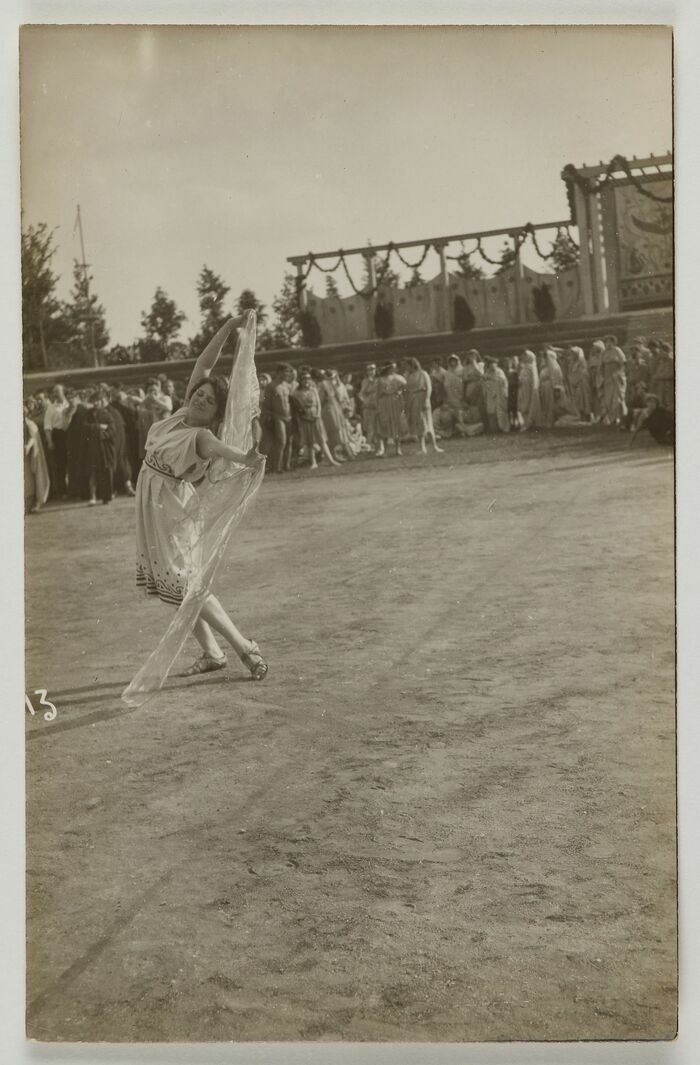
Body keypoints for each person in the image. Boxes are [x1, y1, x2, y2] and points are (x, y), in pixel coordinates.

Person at [134, 316, 268, 680]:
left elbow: (228, 451)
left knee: (188, 586)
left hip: (172, 512)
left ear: (214, 414)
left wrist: (247, 459)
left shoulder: (202, 437)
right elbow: (203, 366)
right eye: (199, 394)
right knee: (175, 589)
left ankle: (244, 648)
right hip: (154, 509)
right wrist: (226, 328)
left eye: (208, 402)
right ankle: (212, 652)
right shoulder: (179, 415)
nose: (200, 399)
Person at [291, 371, 340, 469]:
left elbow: (318, 404)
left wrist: (317, 415)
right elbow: (297, 406)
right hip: (305, 418)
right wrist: (305, 416)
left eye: (308, 378)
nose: (306, 381)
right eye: (304, 379)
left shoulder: (313, 390)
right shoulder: (297, 393)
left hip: (316, 417)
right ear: (300, 381)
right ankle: (313, 462)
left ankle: (330, 460)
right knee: (309, 441)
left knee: (322, 440)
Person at [404, 357, 444, 454]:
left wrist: (426, 399)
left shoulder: (423, 374)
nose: (405, 367)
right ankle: (422, 448)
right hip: (412, 401)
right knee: (419, 424)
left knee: (428, 423)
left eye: (407, 365)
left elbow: (429, 388)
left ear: (412, 365)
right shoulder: (407, 376)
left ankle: (435, 446)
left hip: (422, 400)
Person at [43, 384, 70, 499]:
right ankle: (63, 491)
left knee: (74, 462)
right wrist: (50, 441)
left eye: (57, 391)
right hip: (58, 436)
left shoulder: (70, 404)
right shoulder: (51, 408)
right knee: (61, 464)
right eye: (53, 392)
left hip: (71, 435)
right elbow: (47, 426)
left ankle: (76, 490)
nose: (55, 394)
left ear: (63, 392)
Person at [376, 362, 407, 456]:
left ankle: (398, 449)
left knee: (396, 424)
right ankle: (385, 450)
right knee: (385, 425)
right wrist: (379, 406)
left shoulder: (398, 378)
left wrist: (400, 392)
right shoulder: (381, 379)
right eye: (392, 367)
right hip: (385, 402)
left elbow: (405, 386)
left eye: (394, 367)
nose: (394, 369)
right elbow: (378, 394)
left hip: (395, 401)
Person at [24, 404, 50, 513]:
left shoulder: (30, 424)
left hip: (30, 455)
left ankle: (34, 502)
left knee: (32, 478)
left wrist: (27, 447)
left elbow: (33, 438)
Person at [601, 335, 627, 425]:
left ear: (613, 342)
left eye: (610, 342)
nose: (608, 344)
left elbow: (623, 363)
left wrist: (619, 374)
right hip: (607, 377)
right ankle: (611, 418)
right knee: (609, 398)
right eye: (606, 342)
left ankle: (618, 417)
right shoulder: (604, 352)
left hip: (616, 376)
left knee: (617, 398)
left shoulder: (617, 350)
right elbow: (601, 366)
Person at [482, 358, 510, 433]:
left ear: (496, 364)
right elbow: (484, 383)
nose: (492, 366)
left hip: (499, 394)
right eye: (490, 365)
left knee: (501, 411)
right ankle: (494, 429)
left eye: (493, 364)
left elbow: (503, 381)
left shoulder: (499, 372)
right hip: (490, 395)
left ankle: (503, 428)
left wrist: (492, 379)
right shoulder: (486, 373)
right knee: (491, 412)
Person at [359, 363, 381, 454]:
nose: (371, 372)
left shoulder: (379, 380)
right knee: (370, 427)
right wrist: (366, 402)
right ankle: (370, 447)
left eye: (372, 370)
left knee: (378, 427)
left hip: (378, 404)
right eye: (369, 370)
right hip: (368, 406)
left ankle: (380, 447)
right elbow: (361, 394)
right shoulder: (364, 381)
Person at [567, 346, 593, 422]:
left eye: (574, 354)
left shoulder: (582, 362)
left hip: (582, 384)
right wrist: (572, 381)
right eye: (572, 354)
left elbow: (583, 373)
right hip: (574, 384)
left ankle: (587, 416)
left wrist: (577, 381)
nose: (573, 356)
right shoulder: (572, 363)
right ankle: (581, 415)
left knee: (584, 400)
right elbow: (570, 373)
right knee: (578, 401)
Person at [518, 350, 541, 430]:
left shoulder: (532, 368)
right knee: (523, 404)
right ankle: (525, 422)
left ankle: (530, 422)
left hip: (529, 389)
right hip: (523, 389)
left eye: (525, 356)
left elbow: (534, 381)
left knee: (528, 404)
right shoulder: (523, 368)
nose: (524, 358)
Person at [651, 341, 674, 410]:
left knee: (669, 404)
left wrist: (659, 377)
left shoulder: (672, 361)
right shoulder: (661, 362)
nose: (660, 354)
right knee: (661, 404)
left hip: (669, 387)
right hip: (661, 387)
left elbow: (671, 375)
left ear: (666, 351)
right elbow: (657, 373)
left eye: (661, 352)